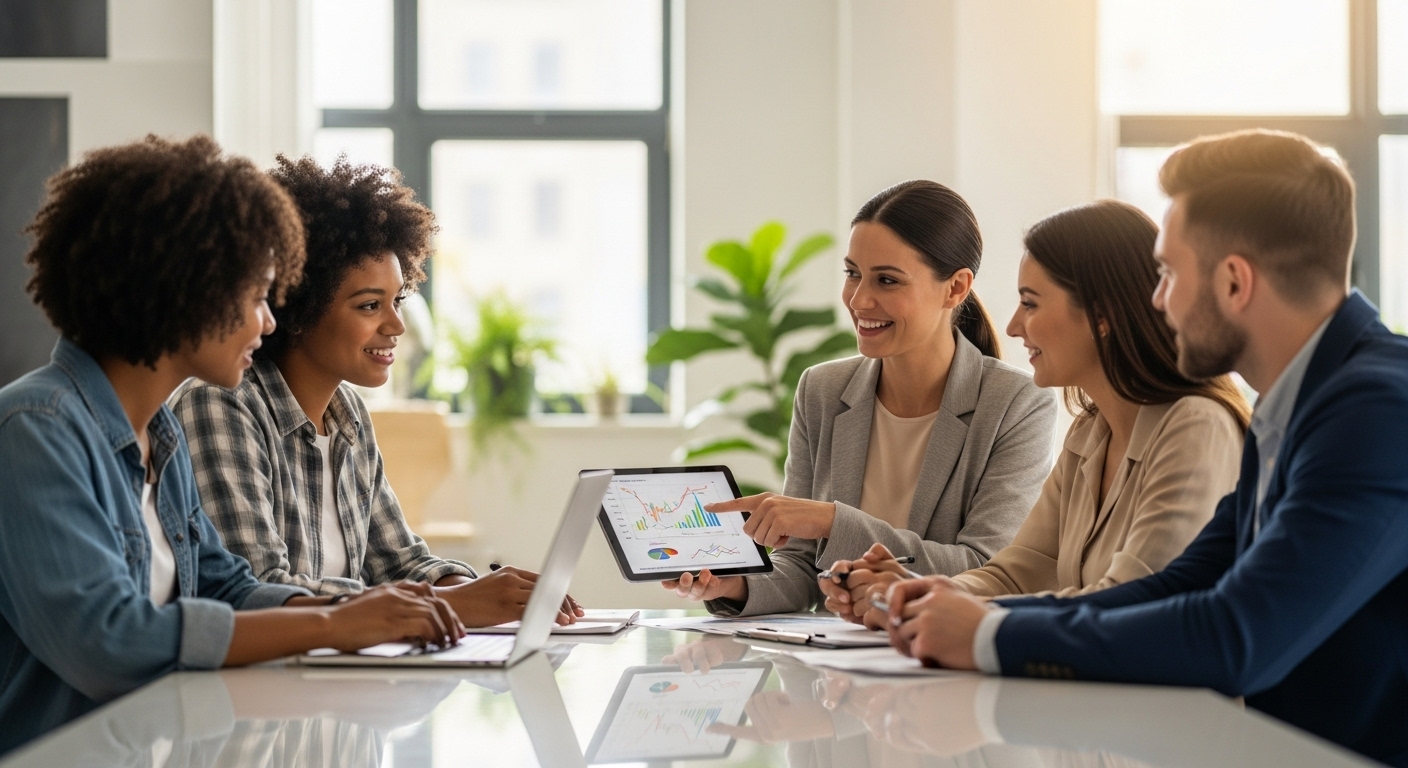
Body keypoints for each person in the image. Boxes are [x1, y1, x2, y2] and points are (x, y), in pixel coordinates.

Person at [882, 129, 1408, 766]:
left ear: (1235, 282)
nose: (1156, 301)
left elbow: (1235, 636)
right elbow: (1183, 582)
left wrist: (993, 633)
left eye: (1167, 273)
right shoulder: (1299, 400)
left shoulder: (1374, 410)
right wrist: (967, 612)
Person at [0, 135, 464, 755]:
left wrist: (363, 613)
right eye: (255, 296)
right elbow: (106, 642)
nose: (269, 320)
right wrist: (331, 621)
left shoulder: (158, 437)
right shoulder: (36, 430)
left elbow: (228, 587)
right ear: (186, 291)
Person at [172, 155, 580, 628]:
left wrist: (482, 593)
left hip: (334, 682)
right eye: (370, 305)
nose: (397, 325)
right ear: (298, 308)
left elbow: (400, 563)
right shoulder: (221, 404)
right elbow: (258, 590)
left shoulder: (348, 416)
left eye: (397, 301)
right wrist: (449, 605)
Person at [821, 201, 1249, 627]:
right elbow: (1016, 573)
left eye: (1031, 303)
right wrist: (916, 591)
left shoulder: (1195, 425)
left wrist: (947, 609)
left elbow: (1134, 600)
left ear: (1102, 315)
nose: (1012, 326)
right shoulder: (1091, 431)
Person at [665, 180, 1057, 616]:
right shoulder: (822, 391)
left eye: (887, 280)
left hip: (943, 664)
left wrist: (832, 521)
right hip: (836, 671)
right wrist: (735, 585)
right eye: (852, 273)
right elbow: (800, 565)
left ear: (956, 287)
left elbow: (984, 568)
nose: (859, 299)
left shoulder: (1016, 404)